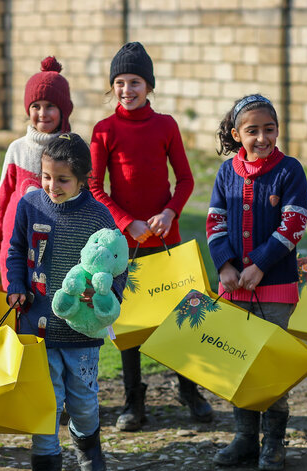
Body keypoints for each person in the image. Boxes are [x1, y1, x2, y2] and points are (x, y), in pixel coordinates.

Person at [89, 41, 212, 432]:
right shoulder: (104, 130)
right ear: (113, 88)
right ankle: (133, 399)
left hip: (164, 241)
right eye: (120, 82)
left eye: (135, 81)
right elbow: (94, 185)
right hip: (124, 246)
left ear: (149, 85)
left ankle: (189, 390)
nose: (128, 89)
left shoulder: (166, 126)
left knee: (179, 319)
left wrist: (169, 212)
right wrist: (126, 223)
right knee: (130, 325)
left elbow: (186, 179)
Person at [6, 133, 125, 471]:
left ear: (84, 178)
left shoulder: (98, 217)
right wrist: (16, 286)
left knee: (83, 403)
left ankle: (87, 442)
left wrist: (107, 295)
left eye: (62, 180)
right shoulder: (30, 206)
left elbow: (117, 265)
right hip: (37, 327)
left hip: (83, 332)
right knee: (47, 403)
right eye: (45, 177)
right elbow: (14, 250)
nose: (51, 186)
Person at [208, 94, 307, 471]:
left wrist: (261, 266)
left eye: (269, 129)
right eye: (252, 131)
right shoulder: (225, 173)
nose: (262, 138)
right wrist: (225, 266)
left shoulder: (290, 170)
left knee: (271, 363)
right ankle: (245, 438)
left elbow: (294, 223)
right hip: (234, 287)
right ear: (237, 134)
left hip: (276, 286)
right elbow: (215, 223)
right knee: (240, 362)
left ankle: (274, 442)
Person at [0, 56, 73, 289]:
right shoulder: (17, 149)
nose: (43, 113)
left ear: (63, 110)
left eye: (50, 106)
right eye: (36, 106)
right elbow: (2, 201)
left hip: (57, 249)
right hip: (14, 246)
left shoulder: (72, 149)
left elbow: (85, 198)